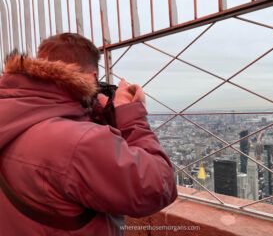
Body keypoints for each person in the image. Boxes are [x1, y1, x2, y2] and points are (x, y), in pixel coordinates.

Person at [0, 33, 177, 236]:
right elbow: (159, 187)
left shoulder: (12, 117)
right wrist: (131, 115)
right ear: (92, 79)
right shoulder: (80, 142)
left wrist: (96, 112)